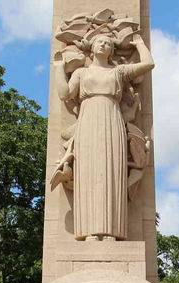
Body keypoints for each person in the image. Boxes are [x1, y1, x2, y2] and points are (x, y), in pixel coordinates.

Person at [53, 32, 154, 241]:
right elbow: (64, 94)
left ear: (112, 49)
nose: (104, 44)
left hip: (112, 122)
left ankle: (112, 232)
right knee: (89, 176)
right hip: (88, 123)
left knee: (112, 175)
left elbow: (148, 64)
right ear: (92, 47)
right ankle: (88, 232)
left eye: (108, 42)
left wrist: (139, 43)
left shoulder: (118, 71)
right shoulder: (81, 73)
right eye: (100, 41)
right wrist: (59, 68)